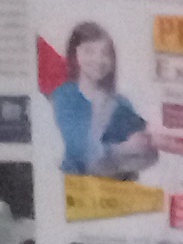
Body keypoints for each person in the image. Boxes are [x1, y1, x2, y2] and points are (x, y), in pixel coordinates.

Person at [49, 22, 159, 181]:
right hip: (76, 186)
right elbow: (80, 151)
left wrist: (146, 141)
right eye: (89, 51)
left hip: (118, 188)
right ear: (74, 55)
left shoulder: (121, 102)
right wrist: (124, 149)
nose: (98, 59)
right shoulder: (65, 95)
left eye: (105, 53)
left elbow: (149, 155)